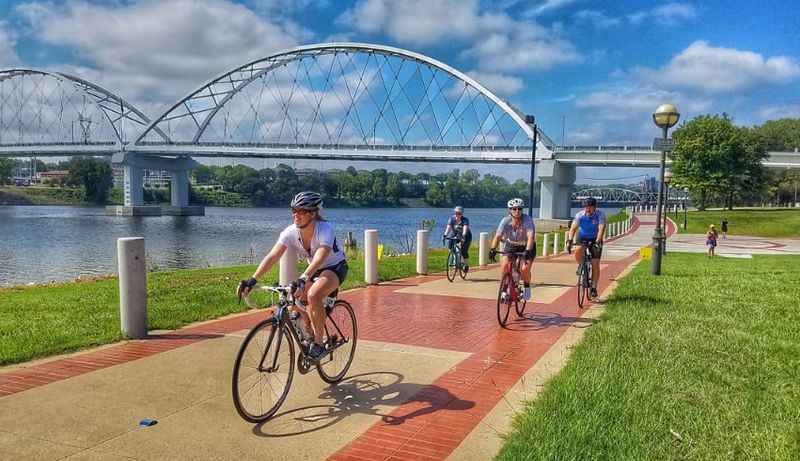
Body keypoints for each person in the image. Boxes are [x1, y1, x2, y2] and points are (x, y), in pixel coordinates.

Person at [236, 191, 348, 361]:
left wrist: (304, 277)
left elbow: (322, 254)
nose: (296, 215)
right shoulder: (290, 232)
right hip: (314, 269)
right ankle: (309, 329)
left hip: (334, 266)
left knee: (313, 294)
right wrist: (253, 279)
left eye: (302, 211)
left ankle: (318, 343)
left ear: (313, 213)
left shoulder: (325, 228)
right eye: (294, 210)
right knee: (294, 298)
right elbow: (273, 256)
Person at [489, 198, 536, 300]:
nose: (517, 211)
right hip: (511, 245)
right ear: (509, 210)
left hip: (526, 245)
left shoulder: (527, 220)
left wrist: (527, 251)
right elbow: (497, 236)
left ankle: (527, 287)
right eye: (514, 209)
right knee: (505, 265)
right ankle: (504, 290)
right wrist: (492, 249)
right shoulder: (505, 221)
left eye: (519, 209)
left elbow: (531, 236)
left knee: (524, 268)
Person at [567, 197, 606, 299]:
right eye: (586, 207)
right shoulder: (580, 215)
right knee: (577, 251)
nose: (587, 209)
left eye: (589, 207)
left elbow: (601, 229)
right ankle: (581, 265)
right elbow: (573, 228)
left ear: (594, 207)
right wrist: (569, 240)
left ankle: (593, 288)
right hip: (582, 237)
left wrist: (598, 241)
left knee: (595, 264)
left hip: (595, 238)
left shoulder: (600, 215)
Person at [443, 205, 472, 271]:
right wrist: (445, 235)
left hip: (466, 235)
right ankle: (454, 261)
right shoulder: (452, 219)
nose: (457, 215)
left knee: (464, 251)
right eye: (456, 213)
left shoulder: (465, 220)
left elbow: (465, 228)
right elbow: (449, 227)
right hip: (455, 234)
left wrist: (463, 236)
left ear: (462, 214)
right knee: (451, 247)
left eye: (459, 213)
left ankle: (466, 264)